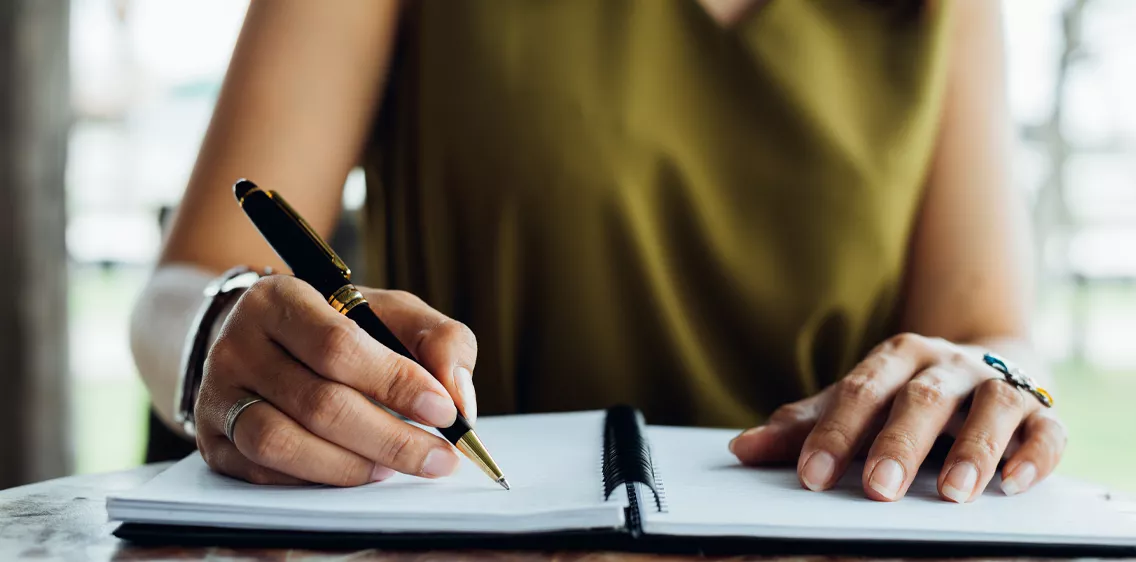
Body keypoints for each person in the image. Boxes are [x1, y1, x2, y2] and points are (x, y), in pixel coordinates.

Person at [130, 0, 1066, 504]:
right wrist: (220, 331)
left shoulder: (947, 11)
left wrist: (985, 378)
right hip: (445, 531)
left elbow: (988, 336)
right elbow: (186, 283)